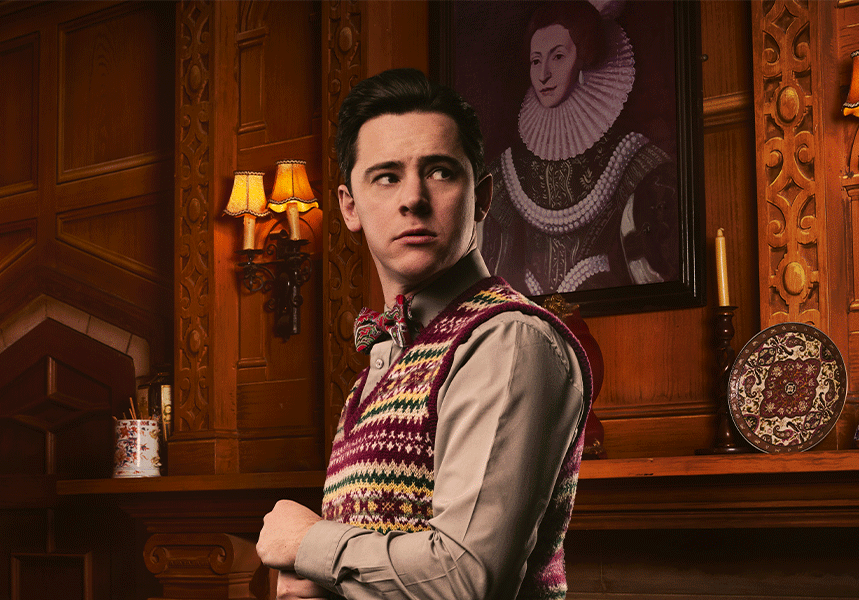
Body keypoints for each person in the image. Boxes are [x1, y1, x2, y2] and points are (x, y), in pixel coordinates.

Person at [255, 68, 593, 600]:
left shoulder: (509, 340)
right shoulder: (389, 355)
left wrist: (309, 543)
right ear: (349, 207)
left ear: (480, 197)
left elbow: (466, 580)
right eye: (386, 176)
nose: (412, 197)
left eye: (439, 172)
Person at [479, 0, 678, 296]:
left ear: (583, 58)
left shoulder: (630, 157)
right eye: (536, 60)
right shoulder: (506, 169)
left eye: (557, 57)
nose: (543, 74)